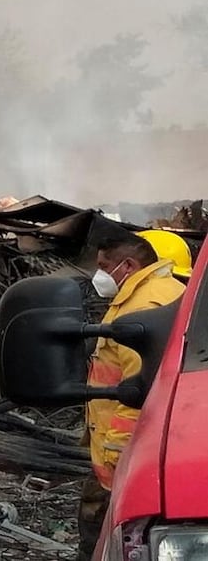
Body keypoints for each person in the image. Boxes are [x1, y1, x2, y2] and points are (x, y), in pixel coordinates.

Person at [78, 232, 186, 559]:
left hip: (126, 457)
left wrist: (118, 458)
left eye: (104, 266)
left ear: (127, 265)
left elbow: (143, 390)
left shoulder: (143, 308)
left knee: (102, 539)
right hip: (135, 451)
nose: (99, 275)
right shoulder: (157, 293)